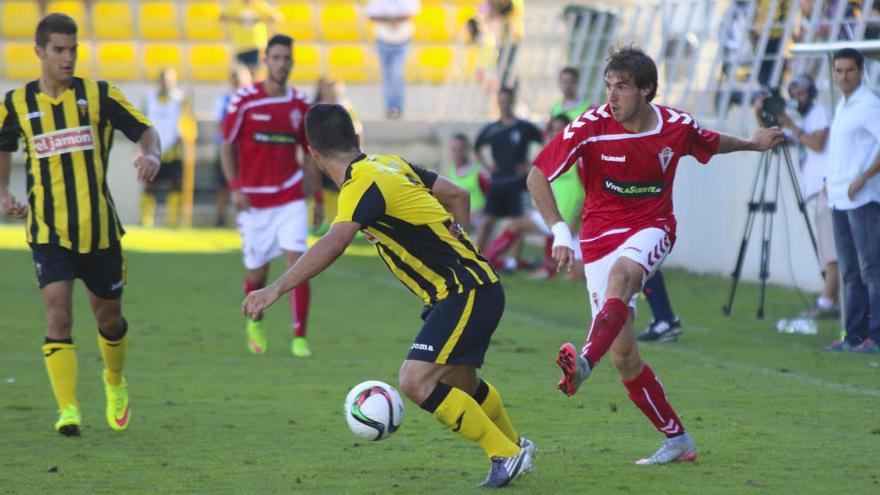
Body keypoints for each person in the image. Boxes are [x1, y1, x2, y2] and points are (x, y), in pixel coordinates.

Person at [243, 103, 534, 488]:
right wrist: (463, 249)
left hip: (464, 290)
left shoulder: (359, 186)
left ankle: (505, 454)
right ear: (357, 138)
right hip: (470, 287)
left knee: (415, 381)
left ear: (312, 152)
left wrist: (275, 288)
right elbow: (458, 195)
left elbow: (334, 242)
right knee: (461, 381)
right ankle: (515, 447)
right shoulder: (391, 164)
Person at [527, 46, 783, 464]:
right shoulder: (591, 125)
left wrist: (754, 145)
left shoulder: (675, 126)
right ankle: (678, 440)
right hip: (596, 239)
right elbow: (538, 175)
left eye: (623, 87)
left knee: (623, 276)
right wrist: (560, 230)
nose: (612, 97)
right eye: (609, 86)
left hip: (653, 226)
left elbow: (711, 142)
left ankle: (584, 365)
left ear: (647, 90)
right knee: (625, 357)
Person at [0, 14, 161, 436]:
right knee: (58, 316)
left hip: (100, 231)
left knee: (109, 320)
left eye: (73, 50)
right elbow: (2, 145)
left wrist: (153, 155)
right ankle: (68, 410)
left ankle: (114, 379)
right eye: (59, 50)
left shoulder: (100, 95)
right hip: (48, 232)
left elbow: (145, 130)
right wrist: (3, 191)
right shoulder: (16, 103)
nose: (68, 58)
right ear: (39, 52)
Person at [221, 35, 323, 358]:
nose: (281, 64)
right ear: (266, 60)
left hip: (290, 194)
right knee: (257, 273)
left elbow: (309, 153)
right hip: (253, 202)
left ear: (292, 62)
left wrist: (317, 196)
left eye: (286, 58)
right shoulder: (245, 101)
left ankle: (299, 338)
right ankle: (255, 321)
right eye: (276, 58)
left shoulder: (300, 104)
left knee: (298, 262)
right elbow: (227, 146)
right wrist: (235, 187)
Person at [822, 48, 880, 353]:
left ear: (861, 72)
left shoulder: (869, 105)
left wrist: (863, 178)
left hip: (862, 198)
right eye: (839, 70)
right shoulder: (843, 106)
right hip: (838, 198)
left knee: (872, 268)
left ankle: (876, 335)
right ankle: (854, 336)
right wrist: (828, 181)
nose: (843, 76)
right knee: (849, 271)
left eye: (850, 70)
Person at [770, 74, 839, 319]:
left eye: (801, 94)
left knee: (831, 251)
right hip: (819, 191)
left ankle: (826, 302)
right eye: (794, 95)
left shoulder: (819, 112)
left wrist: (789, 123)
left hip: (826, 189)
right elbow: (794, 140)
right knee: (826, 250)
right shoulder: (808, 119)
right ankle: (833, 300)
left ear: (812, 93)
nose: (798, 99)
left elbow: (817, 143)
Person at [474, 86, 543, 251]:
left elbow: (545, 141)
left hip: (518, 181)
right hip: (497, 181)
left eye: (507, 100)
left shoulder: (524, 127)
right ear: (497, 101)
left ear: (513, 101)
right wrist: (488, 167)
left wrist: (530, 165)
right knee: (488, 220)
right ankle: (476, 256)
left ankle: (513, 262)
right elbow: (477, 147)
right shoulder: (492, 128)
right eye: (501, 100)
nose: (504, 103)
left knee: (517, 221)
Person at [141, 67, 190, 228]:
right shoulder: (149, 99)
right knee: (149, 183)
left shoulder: (180, 99)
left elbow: (187, 120)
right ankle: (147, 221)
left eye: (169, 79)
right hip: (153, 148)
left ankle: (172, 221)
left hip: (173, 148)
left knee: (175, 184)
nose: (165, 83)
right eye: (163, 79)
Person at [313, 76, 362, 234]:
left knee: (346, 188)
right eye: (326, 87)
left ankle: (355, 222)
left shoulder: (345, 107)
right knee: (324, 188)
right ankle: (325, 220)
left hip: (343, 153)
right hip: (324, 154)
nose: (329, 90)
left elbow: (357, 130)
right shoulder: (316, 109)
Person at [365, 0, 420, 119]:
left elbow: (413, 12)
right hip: (383, 41)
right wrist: (389, 21)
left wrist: (394, 20)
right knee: (387, 75)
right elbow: (371, 14)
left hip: (402, 42)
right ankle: (390, 106)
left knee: (397, 73)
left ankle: (398, 106)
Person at [214, 66, 253, 228]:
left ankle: (244, 219)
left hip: (245, 150)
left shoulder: (252, 100)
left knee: (245, 186)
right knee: (223, 185)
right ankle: (220, 218)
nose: (238, 83)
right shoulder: (223, 100)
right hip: (227, 148)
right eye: (235, 79)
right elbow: (219, 124)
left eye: (240, 79)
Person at [220, 0, 284, 80]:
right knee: (240, 74)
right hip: (239, 45)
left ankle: (256, 90)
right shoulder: (236, 6)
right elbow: (222, 17)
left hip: (257, 45)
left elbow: (277, 17)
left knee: (254, 72)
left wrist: (259, 20)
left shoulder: (261, 6)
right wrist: (238, 20)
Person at [446, 133, 489, 234]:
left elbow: (492, 200)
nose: (457, 153)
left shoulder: (480, 171)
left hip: (479, 224)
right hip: (460, 223)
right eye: (454, 150)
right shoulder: (450, 172)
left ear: (468, 149)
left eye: (460, 149)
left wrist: (479, 213)